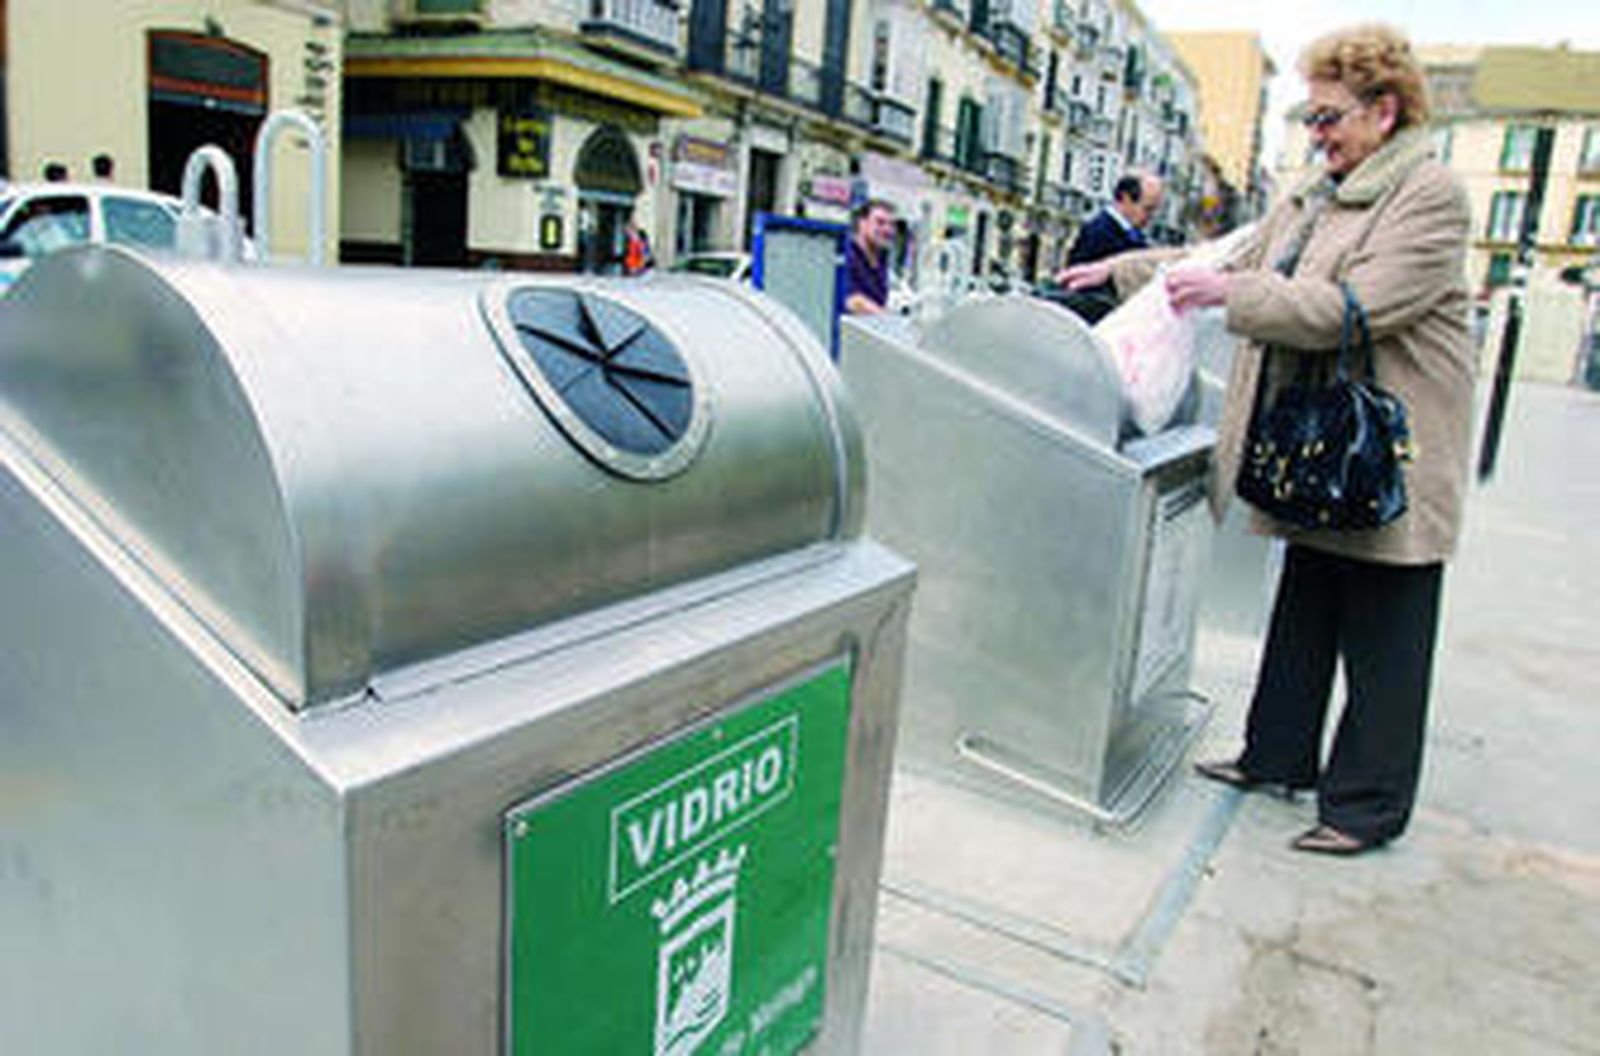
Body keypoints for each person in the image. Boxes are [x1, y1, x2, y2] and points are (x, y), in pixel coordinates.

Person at [1059, 24, 1474, 857]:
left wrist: (1232, 293)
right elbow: (1226, 254)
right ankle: (1276, 754)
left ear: (1384, 111)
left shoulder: (1428, 197)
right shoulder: (1314, 193)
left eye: (1328, 118)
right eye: (1308, 119)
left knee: (1386, 631)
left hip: (1389, 448)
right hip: (1318, 444)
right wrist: (1121, 271)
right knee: (1307, 600)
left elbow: (1352, 307)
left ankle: (1365, 806)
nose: (1315, 135)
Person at [844, 198, 895, 315]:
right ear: (862, 223)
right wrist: (886, 318)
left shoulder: (881, 258)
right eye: (880, 222)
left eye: (891, 225)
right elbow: (853, 301)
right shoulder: (848, 254)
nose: (887, 229)